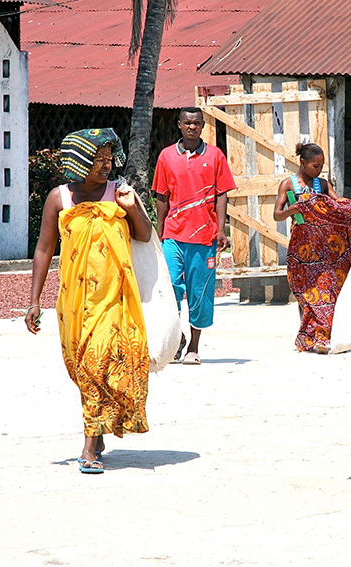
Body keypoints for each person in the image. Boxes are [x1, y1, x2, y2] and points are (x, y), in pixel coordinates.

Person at [25, 128, 154, 474]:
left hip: (115, 298)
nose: (105, 167)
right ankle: (97, 434)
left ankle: (89, 445)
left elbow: (143, 235)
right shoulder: (59, 199)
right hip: (75, 301)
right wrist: (34, 300)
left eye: (109, 160)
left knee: (103, 362)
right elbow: (43, 249)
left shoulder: (119, 193)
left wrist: (131, 207)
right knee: (85, 368)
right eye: (98, 160)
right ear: (77, 161)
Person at [153, 107, 235, 365]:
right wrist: (160, 231)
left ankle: (194, 347)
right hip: (174, 236)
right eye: (187, 123)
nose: (192, 127)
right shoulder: (167, 156)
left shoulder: (215, 156)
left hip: (204, 237)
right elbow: (162, 197)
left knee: (199, 294)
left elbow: (222, 193)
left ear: (202, 126)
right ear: (179, 125)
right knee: (171, 289)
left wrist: (221, 229)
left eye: (197, 123)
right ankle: (176, 338)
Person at [275, 143, 351, 353]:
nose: (318, 170)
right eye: (315, 165)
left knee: (328, 292)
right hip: (302, 247)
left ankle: (324, 338)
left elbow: (339, 205)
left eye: (321, 165)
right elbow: (277, 214)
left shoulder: (322, 184)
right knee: (306, 291)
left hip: (327, 249)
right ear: (302, 162)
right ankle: (309, 337)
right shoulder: (288, 184)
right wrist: (292, 209)